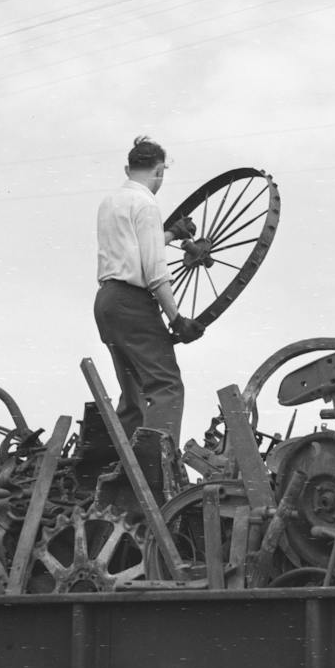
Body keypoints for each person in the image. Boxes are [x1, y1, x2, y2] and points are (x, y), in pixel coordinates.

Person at [93, 135, 204, 448]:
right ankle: (157, 468)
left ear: (128, 169)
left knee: (134, 395)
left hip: (107, 302)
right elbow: (155, 272)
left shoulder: (110, 202)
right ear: (159, 171)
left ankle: (123, 468)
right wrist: (177, 319)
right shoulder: (146, 204)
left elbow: (131, 247)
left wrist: (169, 234)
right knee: (166, 386)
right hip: (133, 304)